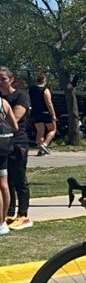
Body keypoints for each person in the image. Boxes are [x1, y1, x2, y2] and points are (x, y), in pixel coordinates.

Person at [0, 67, 33, 230]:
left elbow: (15, 117)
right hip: (2, 143)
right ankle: (9, 212)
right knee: (7, 180)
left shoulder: (20, 95)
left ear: (11, 79)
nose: (0, 82)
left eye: (3, 78)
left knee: (20, 179)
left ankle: (24, 215)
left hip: (18, 141)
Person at [0, 88, 19, 236]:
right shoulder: (4, 103)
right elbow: (15, 126)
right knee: (4, 185)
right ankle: (3, 221)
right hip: (4, 147)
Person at [30, 74, 58, 156]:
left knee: (40, 132)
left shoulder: (32, 90)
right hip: (45, 112)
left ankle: (40, 150)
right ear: (45, 80)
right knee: (52, 130)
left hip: (36, 112)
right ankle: (45, 144)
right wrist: (53, 114)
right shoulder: (45, 90)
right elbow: (49, 103)